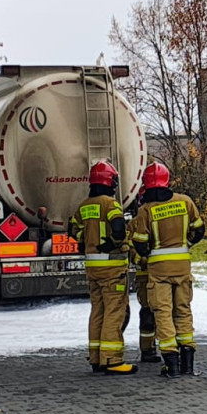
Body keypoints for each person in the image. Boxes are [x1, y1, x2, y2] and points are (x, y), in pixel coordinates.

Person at [129, 162, 204, 377]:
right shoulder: (185, 202)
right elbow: (200, 230)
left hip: (158, 270)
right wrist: (186, 244)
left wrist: (149, 252)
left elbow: (140, 243)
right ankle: (187, 365)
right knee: (183, 310)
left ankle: (171, 364)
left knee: (162, 313)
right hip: (182, 266)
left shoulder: (146, 210)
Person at [69, 161, 136, 375]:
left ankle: (96, 358)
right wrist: (114, 242)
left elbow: (73, 230)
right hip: (112, 268)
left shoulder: (84, 205)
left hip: (93, 268)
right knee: (114, 312)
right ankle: (112, 360)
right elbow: (118, 229)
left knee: (97, 311)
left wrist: (85, 240)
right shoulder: (111, 204)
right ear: (111, 181)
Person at [125, 189, 160, 364]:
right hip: (146, 276)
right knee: (148, 313)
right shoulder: (133, 224)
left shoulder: (160, 217)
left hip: (161, 274)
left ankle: (169, 346)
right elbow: (131, 251)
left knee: (165, 311)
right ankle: (148, 349)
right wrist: (144, 262)